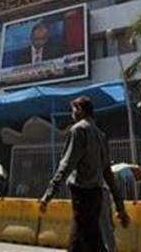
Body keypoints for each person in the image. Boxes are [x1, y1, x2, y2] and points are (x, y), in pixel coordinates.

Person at [39, 96, 130, 251]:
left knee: (90, 240)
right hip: (96, 195)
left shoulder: (79, 130)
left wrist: (48, 195)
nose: (72, 114)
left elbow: (66, 165)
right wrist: (120, 207)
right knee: (79, 241)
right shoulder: (100, 135)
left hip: (82, 195)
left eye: (73, 110)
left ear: (80, 110)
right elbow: (107, 172)